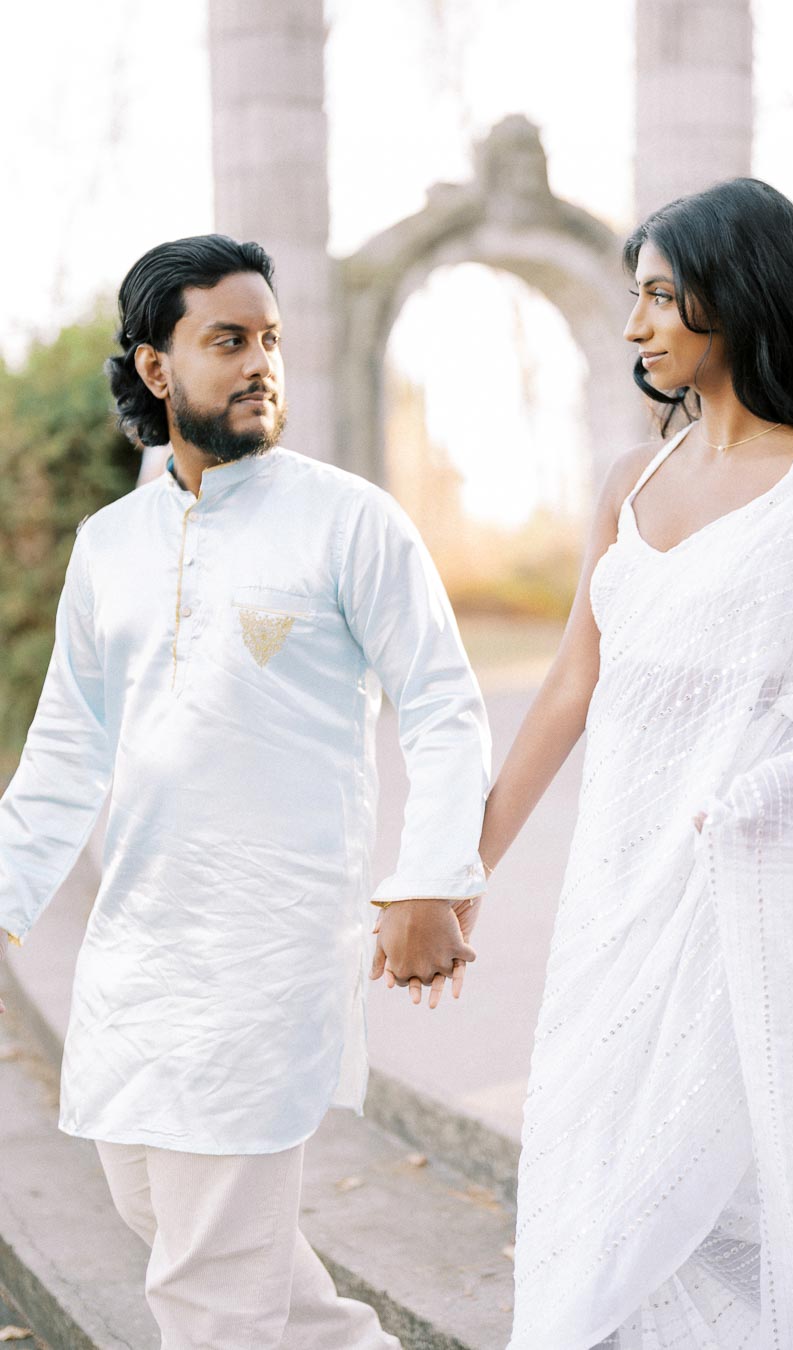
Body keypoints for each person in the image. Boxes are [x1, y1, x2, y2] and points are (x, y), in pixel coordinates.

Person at [0, 233, 490, 1349]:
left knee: (210, 1287)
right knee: (157, 1206)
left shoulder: (349, 522)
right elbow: (68, 747)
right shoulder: (109, 547)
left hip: (272, 946)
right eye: (229, 340)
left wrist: (429, 879)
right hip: (138, 945)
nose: (261, 361)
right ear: (157, 366)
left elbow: (443, 707)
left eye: (270, 338)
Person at [473, 179, 793, 1348]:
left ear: (743, 294)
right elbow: (571, 683)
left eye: (662, 295)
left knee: (713, 1189)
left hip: (749, 900)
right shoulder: (635, 481)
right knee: (598, 1167)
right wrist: (464, 864)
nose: (636, 326)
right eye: (635, 297)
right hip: (615, 902)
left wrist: (759, 807)